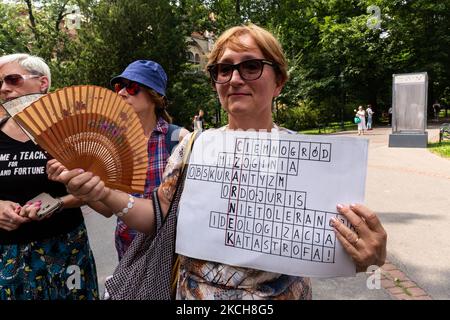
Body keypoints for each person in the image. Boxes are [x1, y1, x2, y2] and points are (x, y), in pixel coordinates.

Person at [47, 24, 387, 300]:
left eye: (251, 66)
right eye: (223, 69)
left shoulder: (315, 163)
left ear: (279, 82)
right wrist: (102, 191)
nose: (235, 78)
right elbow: (155, 218)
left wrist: (368, 257)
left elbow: (337, 248)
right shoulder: (194, 146)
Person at [0, 53, 98, 299]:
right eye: (0, 83)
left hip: (66, 248)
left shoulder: (71, 131)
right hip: (8, 255)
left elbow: (93, 190)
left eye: (13, 80)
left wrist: (58, 203)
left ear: (42, 83)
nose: (4, 88)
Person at [109, 60, 189, 261]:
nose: (121, 93)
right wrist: (81, 183)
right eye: (119, 86)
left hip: (168, 253)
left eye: (132, 86)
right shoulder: (115, 143)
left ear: (155, 95)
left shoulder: (178, 139)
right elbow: (104, 208)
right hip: (127, 251)